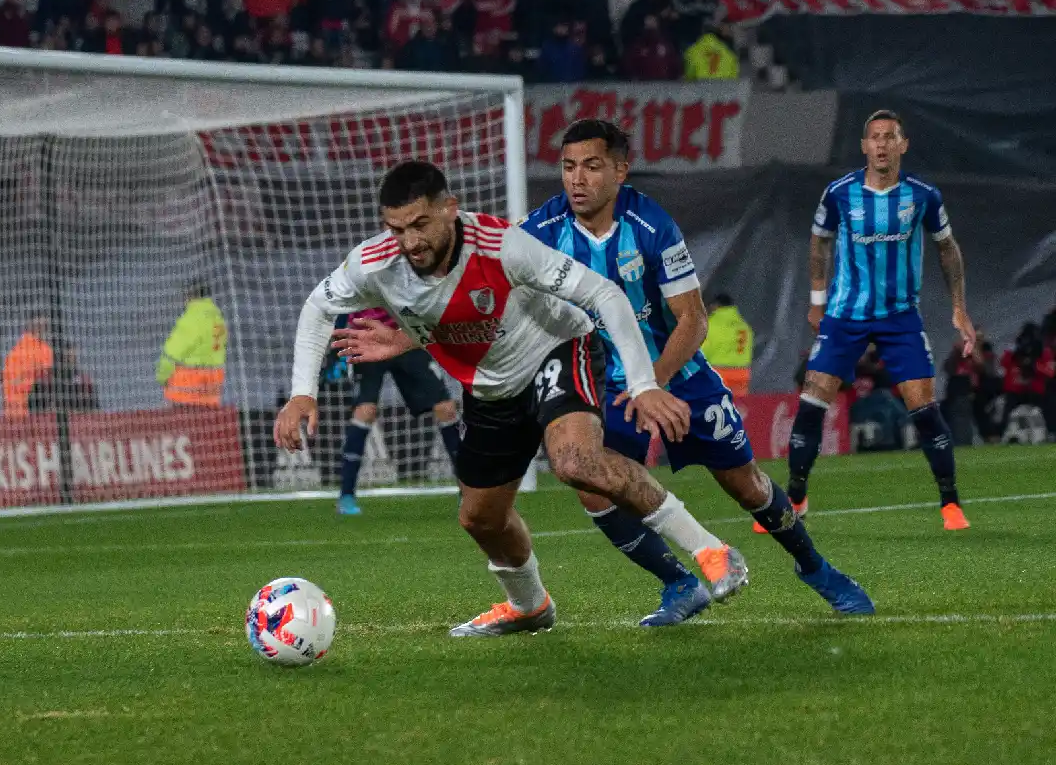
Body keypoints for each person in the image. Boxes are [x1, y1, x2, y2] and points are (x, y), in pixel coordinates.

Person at [280, 160, 744, 636]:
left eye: (420, 224)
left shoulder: (503, 246)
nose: (410, 241)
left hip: (557, 350)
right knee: (480, 518)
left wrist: (644, 385)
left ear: (450, 210)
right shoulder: (374, 262)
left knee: (575, 462)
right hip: (489, 388)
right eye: (396, 228)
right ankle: (529, 606)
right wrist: (302, 394)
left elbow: (605, 294)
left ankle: (710, 550)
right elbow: (319, 306)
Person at [521, 120, 869, 612]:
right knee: (591, 484)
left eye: (592, 167)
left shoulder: (650, 225)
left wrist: (653, 382)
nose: (577, 180)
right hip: (602, 385)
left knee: (744, 483)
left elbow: (694, 320)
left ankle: (815, 567)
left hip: (676, 373)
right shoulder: (539, 231)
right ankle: (680, 583)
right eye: (568, 167)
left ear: (621, 171)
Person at [787, 109, 975, 532]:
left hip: (899, 317)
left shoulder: (923, 196)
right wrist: (817, 300)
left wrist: (959, 307)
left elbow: (947, 249)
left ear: (903, 145)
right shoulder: (839, 193)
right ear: (864, 147)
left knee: (923, 404)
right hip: (845, 315)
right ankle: (795, 496)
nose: (882, 144)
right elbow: (819, 241)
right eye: (874, 137)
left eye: (890, 137)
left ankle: (950, 503)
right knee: (813, 397)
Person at [332, 307, 461, 516]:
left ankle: (469, 490)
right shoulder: (355, 276)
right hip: (367, 337)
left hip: (404, 336)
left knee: (446, 408)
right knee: (366, 410)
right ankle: (346, 495)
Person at [157, 282, 227, 407]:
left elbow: (172, 354)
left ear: (189, 295)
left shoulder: (192, 318)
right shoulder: (218, 318)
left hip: (186, 390)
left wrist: (162, 377)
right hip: (212, 389)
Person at [701, 293, 753, 397]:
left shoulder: (711, 324)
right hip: (742, 373)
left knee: (717, 407)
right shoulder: (744, 325)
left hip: (719, 373)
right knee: (739, 407)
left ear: (715, 306)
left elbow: (704, 351)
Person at [2, 314, 53, 418]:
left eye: (44, 326)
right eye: (40, 326)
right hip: (32, 412)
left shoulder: (15, 351)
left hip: (15, 411)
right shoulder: (43, 350)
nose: (42, 330)